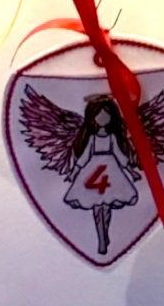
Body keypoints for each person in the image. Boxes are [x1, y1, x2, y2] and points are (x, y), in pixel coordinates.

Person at [62, 97, 143, 257]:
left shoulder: (112, 137)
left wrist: (131, 171)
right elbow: (84, 157)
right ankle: (101, 238)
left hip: (111, 173)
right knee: (97, 207)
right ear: (93, 117)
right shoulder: (92, 138)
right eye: (98, 115)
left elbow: (119, 155)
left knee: (106, 208)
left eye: (106, 114)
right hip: (92, 173)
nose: (102, 118)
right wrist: (74, 172)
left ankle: (104, 235)